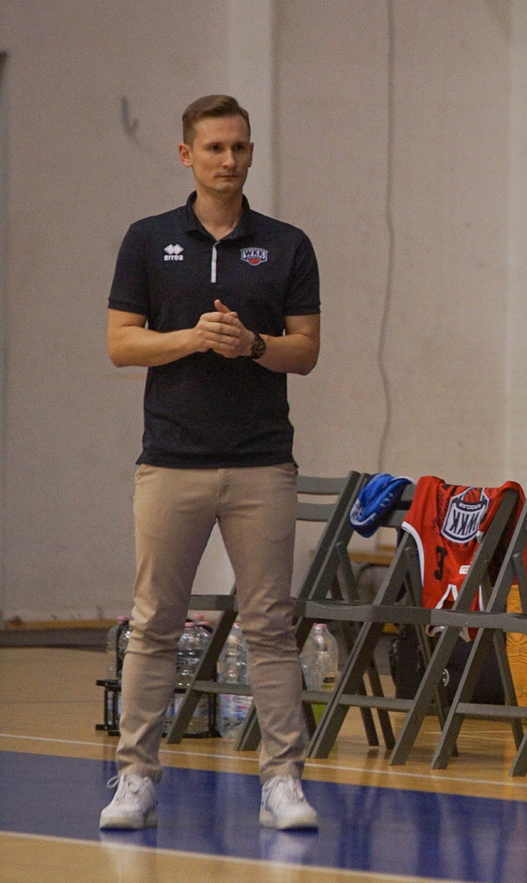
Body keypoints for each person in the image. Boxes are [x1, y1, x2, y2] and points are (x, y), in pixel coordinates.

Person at [102, 95, 322, 832]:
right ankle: (136, 777)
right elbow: (121, 343)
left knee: (269, 625)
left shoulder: (287, 245)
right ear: (186, 155)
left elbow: (306, 351)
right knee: (153, 623)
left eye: (240, 147)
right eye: (216, 148)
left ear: (251, 153)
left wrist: (252, 344)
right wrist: (192, 339)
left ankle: (282, 781)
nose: (229, 160)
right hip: (171, 463)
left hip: (262, 464)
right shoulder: (148, 239)